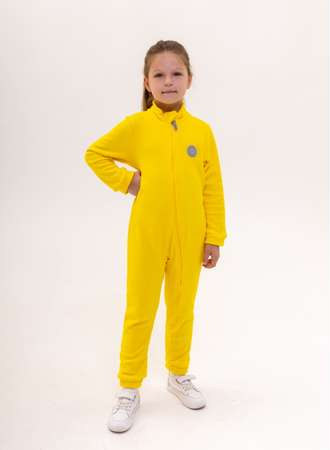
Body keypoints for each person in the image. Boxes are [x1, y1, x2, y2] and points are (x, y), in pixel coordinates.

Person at [84, 40, 227, 432]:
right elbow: (95, 154)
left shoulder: (201, 132)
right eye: (159, 75)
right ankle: (129, 387)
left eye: (176, 73)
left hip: (190, 238)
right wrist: (128, 181)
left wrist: (214, 236)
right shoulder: (137, 127)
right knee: (140, 311)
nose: (168, 81)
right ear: (146, 82)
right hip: (147, 236)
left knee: (182, 309)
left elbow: (212, 188)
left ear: (190, 79)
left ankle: (178, 374)